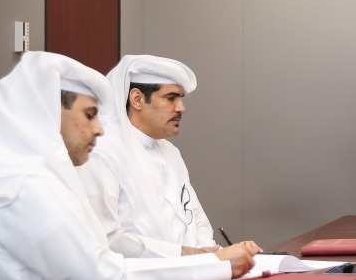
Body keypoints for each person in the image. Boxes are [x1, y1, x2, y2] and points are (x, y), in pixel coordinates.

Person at [0, 52, 258, 280]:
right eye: (89, 115)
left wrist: (213, 260)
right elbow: (106, 277)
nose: (100, 129)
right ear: (51, 110)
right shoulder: (22, 185)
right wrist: (214, 263)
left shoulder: (41, 177)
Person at [79, 55, 261, 259]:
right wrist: (190, 256)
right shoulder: (102, 151)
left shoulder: (170, 152)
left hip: (192, 276)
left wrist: (219, 254)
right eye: (171, 97)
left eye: (181, 99)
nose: (181, 108)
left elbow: (197, 221)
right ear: (137, 99)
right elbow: (108, 239)